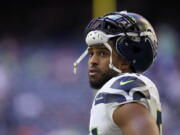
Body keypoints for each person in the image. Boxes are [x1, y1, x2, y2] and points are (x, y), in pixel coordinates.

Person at [74, 10, 162, 135]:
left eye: (103, 53)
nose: (92, 61)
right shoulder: (113, 91)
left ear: (125, 61)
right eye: (91, 53)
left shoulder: (123, 86)